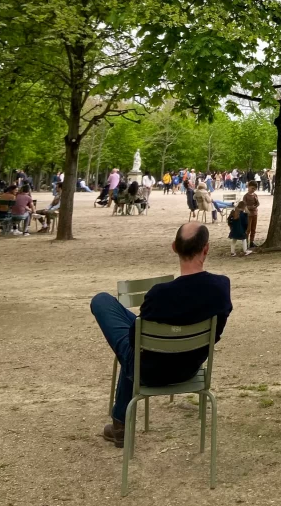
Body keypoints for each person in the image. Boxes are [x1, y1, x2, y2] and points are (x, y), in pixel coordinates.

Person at [91, 222, 232, 446]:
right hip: (189, 367)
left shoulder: (159, 294)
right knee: (137, 339)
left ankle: (120, 424)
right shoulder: (221, 287)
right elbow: (216, 334)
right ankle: (119, 423)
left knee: (102, 301)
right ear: (206, 248)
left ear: (174, 247)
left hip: (148, 372)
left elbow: (135, 341)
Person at [243, 180, 260, 248]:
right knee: (248, 229)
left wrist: (255, 206)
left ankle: (251, 242)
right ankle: (246, 242)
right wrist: (249, 208)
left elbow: (258, 203)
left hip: (255, 213)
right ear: (248, 187)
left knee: (253, 228)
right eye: (252, 188)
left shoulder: (255, 195)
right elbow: (244, 206)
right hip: (248, 215)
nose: (253, 190)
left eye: (254, 189)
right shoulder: (246, 196)